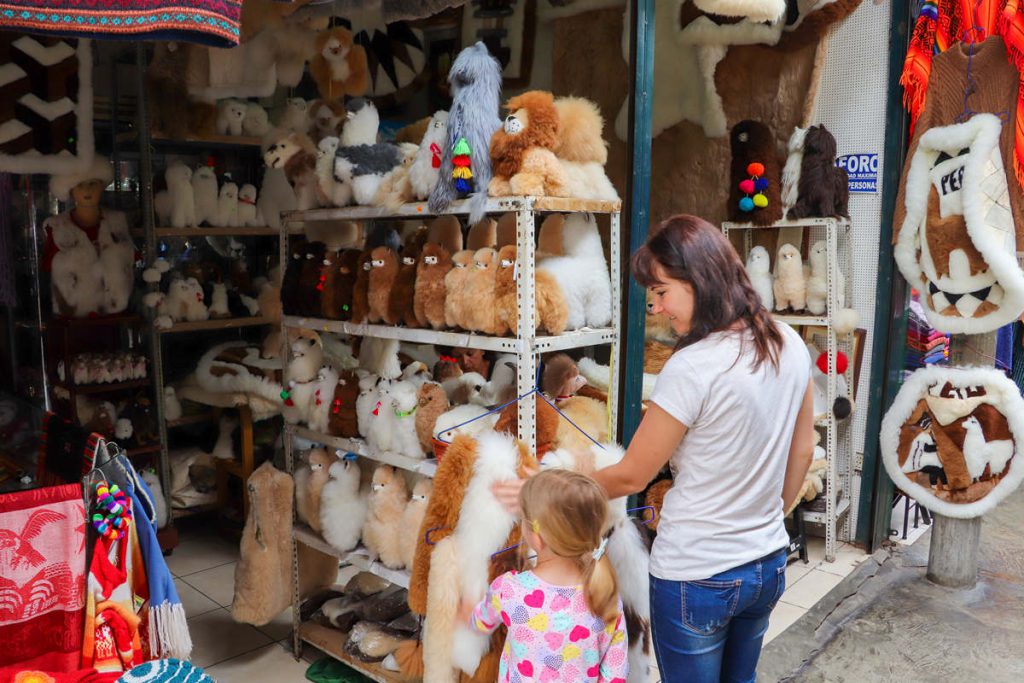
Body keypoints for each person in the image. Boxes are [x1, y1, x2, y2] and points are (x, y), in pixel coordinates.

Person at [493, 214, 815, 683]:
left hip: (697, 575)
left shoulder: (694, 365)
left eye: (663, 292)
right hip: (765, 564)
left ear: (700, 279)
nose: (659, 308)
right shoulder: (788, 341)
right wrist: (764, 520)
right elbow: (802, 452)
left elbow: (631, 476)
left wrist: (545, 486)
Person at [463, 469, 629, 682]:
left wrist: (466, 612)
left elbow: (480, 622)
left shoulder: (509, 589)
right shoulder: (606, 596)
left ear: (537, 538)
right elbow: (615, 674)